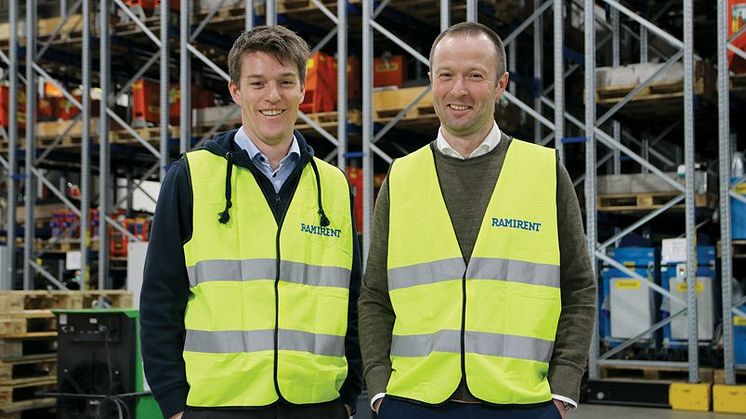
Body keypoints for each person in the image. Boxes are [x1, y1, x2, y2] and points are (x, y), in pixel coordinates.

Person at [358, 22, 596, 419]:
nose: (459, 90)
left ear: (501, 83)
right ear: (432, 79)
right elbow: (374, 295)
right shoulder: (401, 177)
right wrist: (380, 386)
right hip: (413, 401)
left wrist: (563, 389)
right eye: (447, 75)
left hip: (522, 404)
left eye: (475, 76)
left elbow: (579, 288)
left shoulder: (544, 171)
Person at [141, 25, 362, 419]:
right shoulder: (191, 176)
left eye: (285, 82)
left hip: (317, 405)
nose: (272, 96)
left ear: (303, 88)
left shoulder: (332, 185)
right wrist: (174, 404)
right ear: (236, 91)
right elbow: (160, 299)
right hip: (217, 406)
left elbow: (354, 299)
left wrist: (348, 394)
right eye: (257, 82)